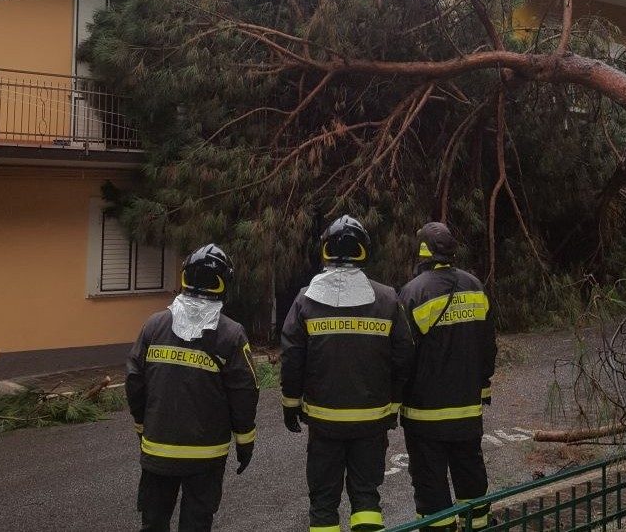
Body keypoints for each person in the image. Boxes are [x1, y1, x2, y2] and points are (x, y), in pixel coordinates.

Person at [281, 215, 415, 532]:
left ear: (325, 250)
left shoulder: (305, 299)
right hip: (372, 420)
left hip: (323, 420)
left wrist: (290, 404)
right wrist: (394, 403)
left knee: (324, 501)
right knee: (367, 499)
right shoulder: (387, 298)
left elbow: (292, 356)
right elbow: (404, 354)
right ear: (364, 251)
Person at [126, 244, 259, 532]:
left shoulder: (154, 325)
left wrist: (142, 426)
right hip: (206, 456)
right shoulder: (231, 333)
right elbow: (244, 392)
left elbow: (134, 382)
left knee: (153, 523)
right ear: (224, 282)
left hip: (157, 450)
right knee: (196, 524)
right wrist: (245, 441)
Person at [399, 223, 497, 531]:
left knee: (430, 486)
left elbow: (402, 355)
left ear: (423, 252)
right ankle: (479, 526)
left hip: (424, 415)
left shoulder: (414, 292)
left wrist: (395, 396)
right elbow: (487, 346)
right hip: (467, 410)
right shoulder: (475, 286)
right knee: (471, 477)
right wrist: (482, 385)